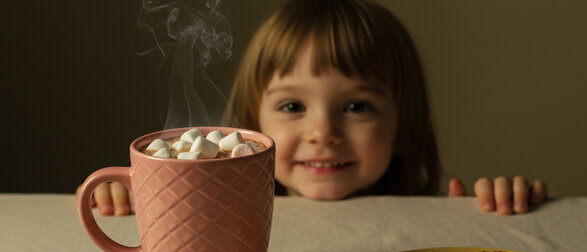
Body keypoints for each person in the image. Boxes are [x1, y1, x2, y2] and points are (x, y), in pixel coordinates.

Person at [79, 0, 546, 216]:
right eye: (293, 105)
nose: (323, 131)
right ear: (251, 127)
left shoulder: (435, 214)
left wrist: (500, 203)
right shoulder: (222, 215)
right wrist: (125, 197)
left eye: (357, 106)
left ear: (404, 122)